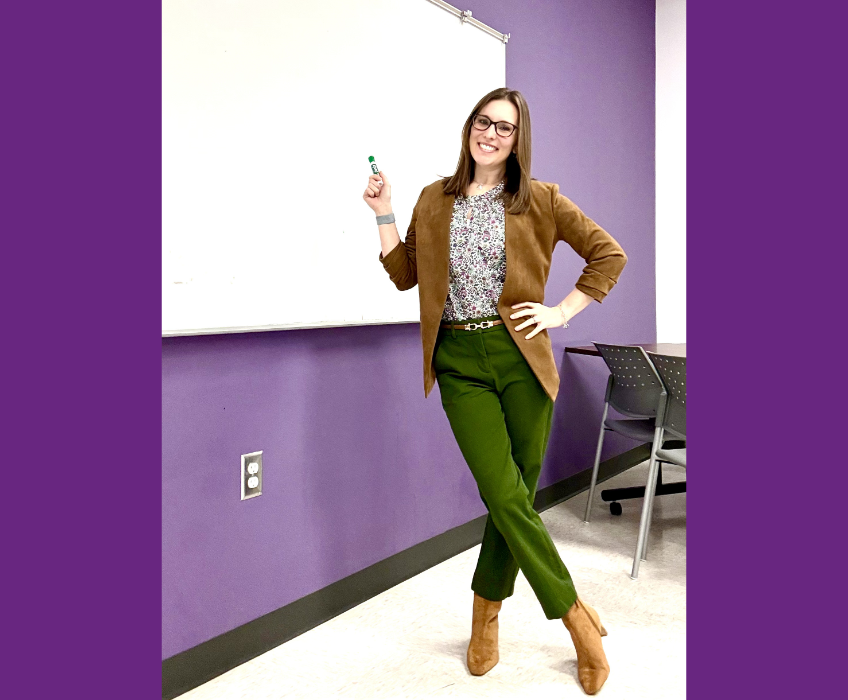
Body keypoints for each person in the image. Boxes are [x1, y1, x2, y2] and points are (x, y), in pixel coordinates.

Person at [362, 87, 627, 695]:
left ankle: (485, 614)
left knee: (515, 500)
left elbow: (607, 256)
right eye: (484, 122)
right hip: (458, 360)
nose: (491, 133)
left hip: (521, 358)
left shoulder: (539, 200)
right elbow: (406, 276)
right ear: (469, 128)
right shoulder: (436, 199)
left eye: (504, 128)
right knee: (503, 491)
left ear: (517, 139)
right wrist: (383, 213)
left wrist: (560, 313)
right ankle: (575, 618)